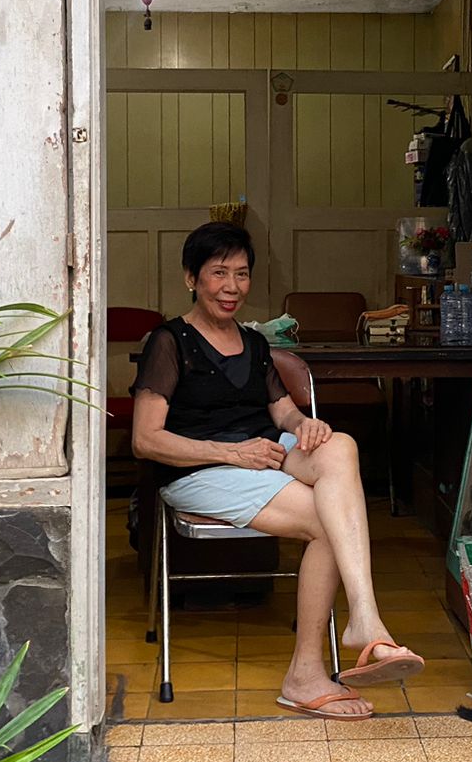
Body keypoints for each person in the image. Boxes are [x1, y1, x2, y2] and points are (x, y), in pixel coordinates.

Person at [131, 221, 424, 720]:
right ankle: (309, 671)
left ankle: (365, 619)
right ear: (191, 278)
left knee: (341, 445)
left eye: (241, 274)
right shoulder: (169, 342)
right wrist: (230, 453)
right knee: (328, 520)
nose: (231, 287)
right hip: (200, 467)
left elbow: (281, 411)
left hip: (263, 453)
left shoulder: (253, 341)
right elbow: (146, 440)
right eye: (218, 273)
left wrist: (304, 424)